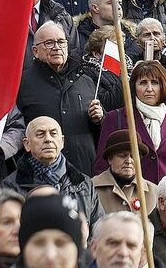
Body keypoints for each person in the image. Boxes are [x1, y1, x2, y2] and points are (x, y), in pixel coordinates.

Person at [15, 22, 113, 175]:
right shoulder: (22, 84)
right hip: (41, 175)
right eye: (49, 43)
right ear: (35, 51)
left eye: (61, 42)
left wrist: (99, 119)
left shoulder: (85, 80)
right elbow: (17, 128)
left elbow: (103, 133)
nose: (56, 47)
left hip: (84, 174)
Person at [94, 61, 166, 184]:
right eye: (143, 83)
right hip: (128, 198)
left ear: (163, 85)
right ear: (134, 87)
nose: (149, 89)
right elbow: (101, 166)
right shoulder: (115, 118)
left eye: (154, 83)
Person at [0, 116, 103, 228]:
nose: (48, 139)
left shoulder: (83, 184)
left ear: (62, 141)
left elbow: (99, 230)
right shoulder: (10, 187)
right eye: (40, 134)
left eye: (53, 134)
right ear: (27, 144)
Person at [91, 130, 158, 215]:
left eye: (133, 156)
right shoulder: (91, 189)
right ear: (110, 159)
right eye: (122, 156)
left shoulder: (154, 192)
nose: (129, 161)